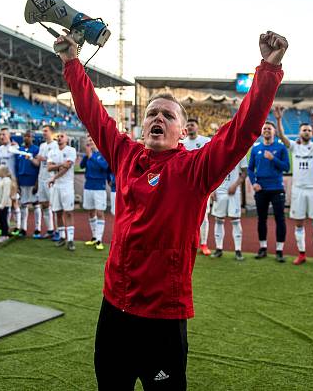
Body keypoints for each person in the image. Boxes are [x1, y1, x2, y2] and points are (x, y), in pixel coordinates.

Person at [57, 29, 286, 389]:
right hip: (114, 306)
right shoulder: (126, 155)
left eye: (167, 115)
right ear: (142, 124)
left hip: (162, 315)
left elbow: (242, 131)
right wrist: (71, 62)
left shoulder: (195, 169)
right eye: (151, 114)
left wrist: (268, 70)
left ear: (183, 131)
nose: (157, 118)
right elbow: (93, 115)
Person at [274, 103, 313, 267]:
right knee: (299, 223)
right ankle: (301, 254)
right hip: (298, 190)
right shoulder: (294, 147)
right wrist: (278, 120)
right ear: (300, 132)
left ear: (312, 132)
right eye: (304, 130)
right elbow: (282, 135)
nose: (306, 132)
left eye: (309, 130)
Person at [248, 121, 290, 262]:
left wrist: (273, 159)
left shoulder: (281, 148)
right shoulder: (256, 149)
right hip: (261, 189)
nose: (266, 130)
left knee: (280, 219)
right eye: (264, 128)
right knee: (262, 219)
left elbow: (286, 167)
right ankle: (263, 248)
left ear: (274, 131)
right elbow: (250, 169)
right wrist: (254, 183)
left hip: (277, 188)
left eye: (269, 128)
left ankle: (279, 250)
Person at [181, 118, 213, 256]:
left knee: (204, 215)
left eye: (192, 125)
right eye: (187, 125)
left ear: (197, 127)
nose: (190, 127)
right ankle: (186, 243)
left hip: (201, 185)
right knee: (183, 216)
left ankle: (204, 244)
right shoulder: (181, 143)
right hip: (184, 186)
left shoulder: (206, 141)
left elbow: (211, 162)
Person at [210, 154, 248, 261]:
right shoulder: (217, 150)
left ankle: (238, 251)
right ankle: (218, 249)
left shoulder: (241, 151)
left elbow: (245, 172)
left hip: (233, 192)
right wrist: (212, 190)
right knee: (218, 220)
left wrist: (235, 185)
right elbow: (211, 172)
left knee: (235, 220)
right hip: (219, 191)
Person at [47, 131, 77, 250]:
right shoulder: (52, 151)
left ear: (67, 139)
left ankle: (70, 239)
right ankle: (62, 237)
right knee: (57, 212)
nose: (59, 138)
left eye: (62, 136)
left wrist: (54, 176)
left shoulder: (71, 150)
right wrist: (61, 165)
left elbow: (67, 166)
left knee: (68, 212)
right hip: (56, 186)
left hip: (67, 185)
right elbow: (49, 167)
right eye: (58, 137)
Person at [81, 134, 110, 250]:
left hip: (99, 187)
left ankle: (99, 239)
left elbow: (104, 167)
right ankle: (93, 237)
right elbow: (82, 165)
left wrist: (91, 156)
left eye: (92, 141)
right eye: (88, 141)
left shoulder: (102, 154)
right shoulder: (88, 155)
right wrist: (87, 156)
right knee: (90, 212)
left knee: (100, 213)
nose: (90, 143)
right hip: (88, 186)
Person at [15, 130, 40, 237]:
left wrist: (37, 183)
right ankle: (23, 228)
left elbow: (39, 167)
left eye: (29, 136)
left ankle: (37, 228)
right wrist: (16, 183)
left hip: (32, 180)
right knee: (23, 205)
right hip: (22, 180)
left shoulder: (36, 150)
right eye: (25, 136)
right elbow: (16, 167)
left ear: (33, 138)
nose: (26, 138)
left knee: (35, 204)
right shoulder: (19, 150)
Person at [33, 125, 57, 239]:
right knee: (44, 204)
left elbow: (57, 161)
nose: (44, 133)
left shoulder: (55, 145)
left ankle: (59, 230)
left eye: (46, 131)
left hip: (50, 178)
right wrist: (31, 158)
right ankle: (50, 229)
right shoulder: (42, 145)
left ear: (51, 133)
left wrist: (45, 159)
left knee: (54, 205)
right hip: (41, 177)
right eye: (43, 131)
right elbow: (38, 163)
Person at [0, 164, 14, 243]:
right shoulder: (0, 180)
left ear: (3, 172)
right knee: (0, 219)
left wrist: (3, 204)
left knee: (3, 219)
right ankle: (3, 234)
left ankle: (5, 235)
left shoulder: (7, 181)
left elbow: (6, 194)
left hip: (4, 205)